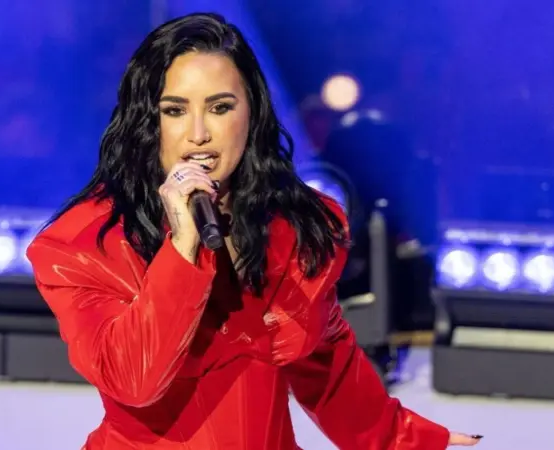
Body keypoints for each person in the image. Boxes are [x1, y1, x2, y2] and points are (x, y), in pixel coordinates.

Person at [27, 12, 482, 450]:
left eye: (220, 107)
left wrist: (407, 439)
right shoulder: (84, 245)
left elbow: (329, 370)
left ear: (252, 113)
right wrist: (183, 247)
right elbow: (134, 378)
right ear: (148, 122)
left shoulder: (298, 229)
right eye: (175, 110)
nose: (199, 133)